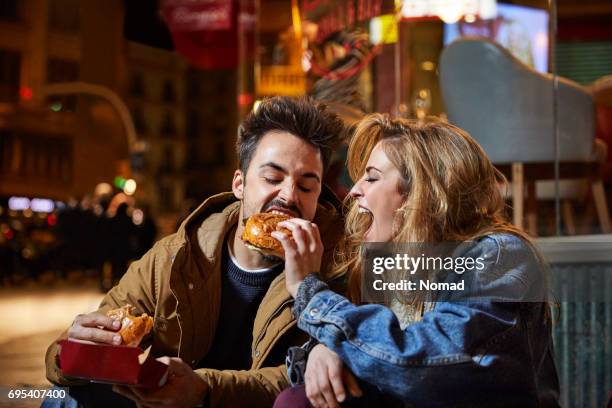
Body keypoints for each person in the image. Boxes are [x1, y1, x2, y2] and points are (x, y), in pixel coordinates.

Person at [43, 96, 346, 407]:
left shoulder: (336, 266)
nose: (288, 196)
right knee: (63, 398)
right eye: (272, 178)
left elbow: (301, 381)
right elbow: (69, 355)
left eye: (307, 187)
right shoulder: (175, 258)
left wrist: (204, 389)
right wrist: (75, 350)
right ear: (239, 184)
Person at [272, 114, 560, 407]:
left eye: (372, 177)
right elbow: (368, 354)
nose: (355, 188)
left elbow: (423, 365)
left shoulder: (497, 255)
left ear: (420, 194)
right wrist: (325, 348)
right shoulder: (390, 266)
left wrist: (312, 294)